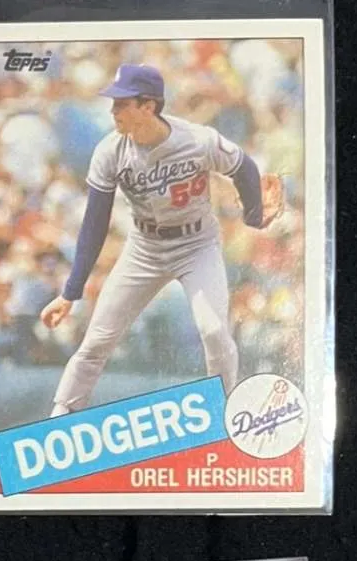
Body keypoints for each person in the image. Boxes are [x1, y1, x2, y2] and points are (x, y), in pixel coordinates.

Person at [38, 65, 284, 415]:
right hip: (144, 249)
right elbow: (94, 223)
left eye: (122, 103)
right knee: (97, 340)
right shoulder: (110, 151)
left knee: (214, 330)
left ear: (148, 106)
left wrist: (253, 215)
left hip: (196, 245)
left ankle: (225, 412)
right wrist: (70, 292)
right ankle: (61, 413)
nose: (113, 111)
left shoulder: (197, 140)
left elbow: (243, 166)